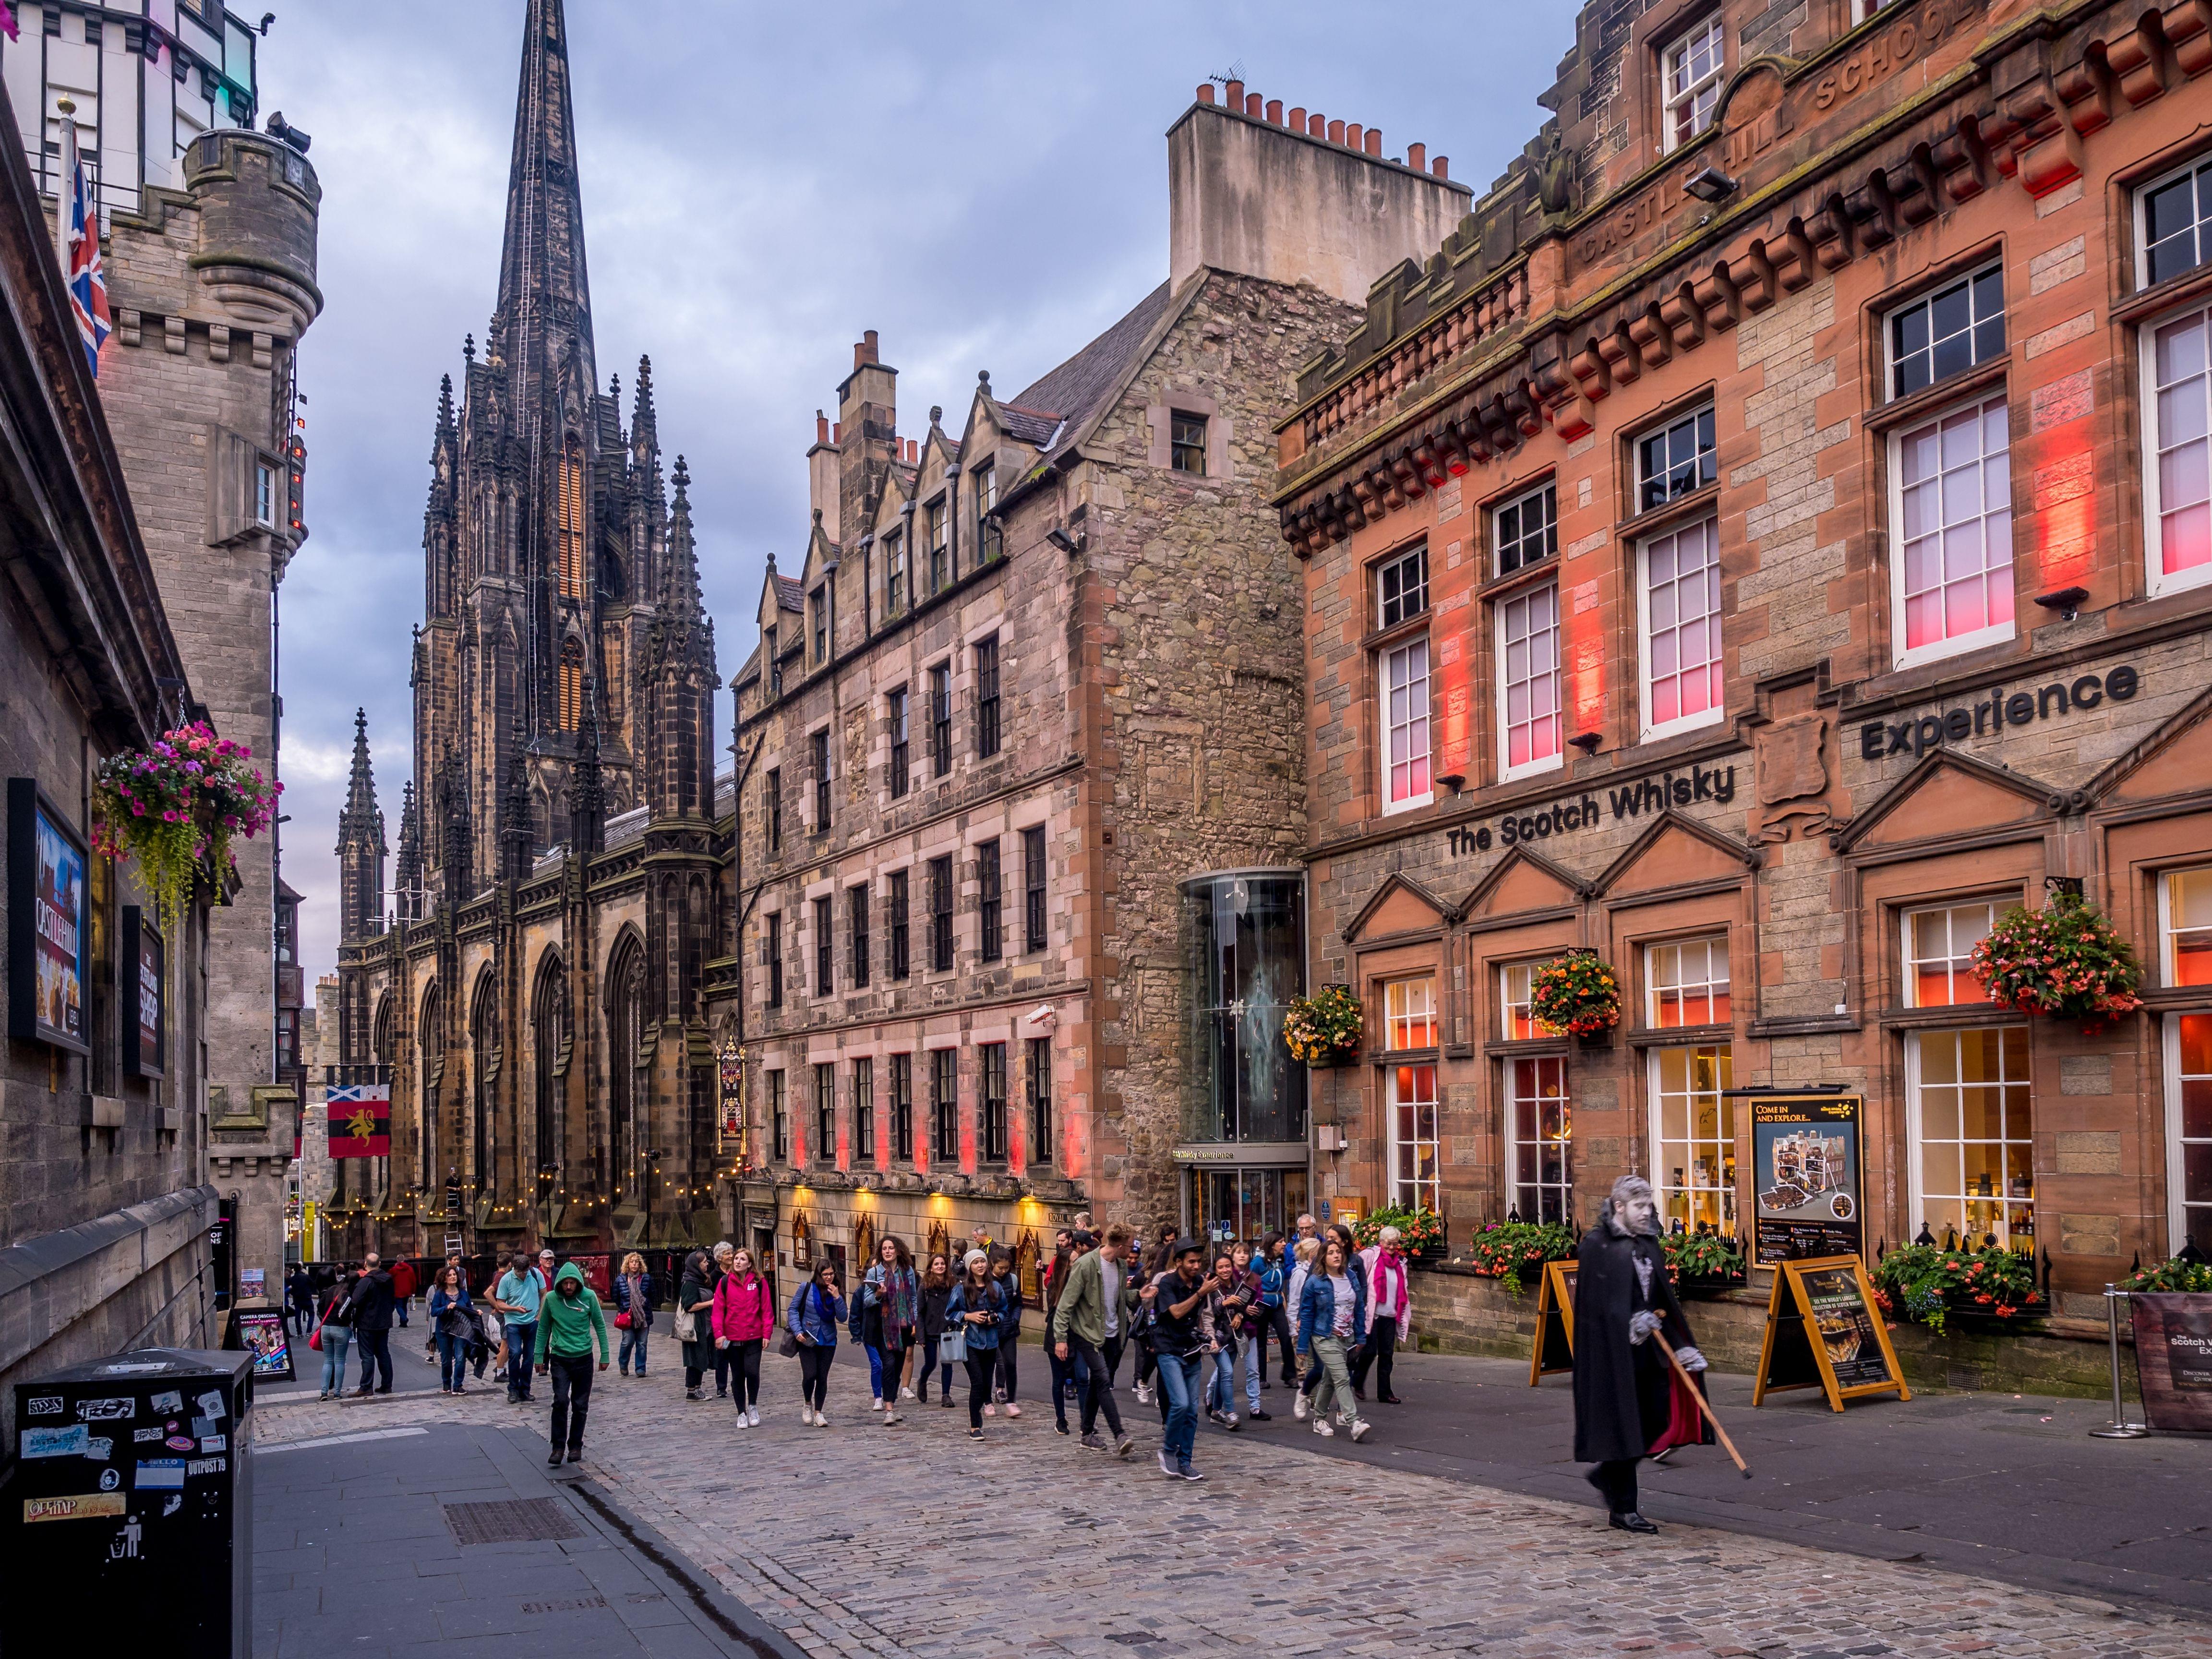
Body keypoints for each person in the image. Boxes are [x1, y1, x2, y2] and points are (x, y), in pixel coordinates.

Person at [1574, 1175, 1708, 1535]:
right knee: (1624, 1426)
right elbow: (1594, 1306)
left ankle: (1606, 1476)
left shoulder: (1648, 1243)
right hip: (1611, 1356)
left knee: (1656, 1418)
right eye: (1640, 1206)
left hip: (1652, 1348)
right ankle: (1625, 1509)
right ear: (1619, 1207)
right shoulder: (1597, 1246)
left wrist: (1683, 1345)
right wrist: (1627, 1321)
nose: (1648, 1213)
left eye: (1649, 1205)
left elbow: (1664, 1300)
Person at [1050, 1224, 1136, 1458]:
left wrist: (1140, 1295)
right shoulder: (1086, 1265)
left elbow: (1120, 1296)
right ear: (1120, 1246)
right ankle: (1120, 1434)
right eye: (1131, 1245)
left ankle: (1086, 1433)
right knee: (1103, 1379)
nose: (1134, 1249)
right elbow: (1066, 1304)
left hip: (1112, 1333)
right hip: (1087, 1333)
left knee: (1099, 1384)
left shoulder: (1120, 1266)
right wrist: (1060, 1339)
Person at [1143, 1239, 1214, 1480]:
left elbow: (1202, 1315)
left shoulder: (1199, 1282)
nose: (1196, 1266)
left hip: (1191, 1349)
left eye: (1199, 1261)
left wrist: (1209, 1337)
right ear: (1179, 1262)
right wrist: (1200, 1293)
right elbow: (1176, 1312)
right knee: (1181, 1404)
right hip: (1168, 1349)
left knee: (1192, 1411)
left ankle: (1185, 1462)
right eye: (1191, 1262)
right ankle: (1168, 1450)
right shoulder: (1167, 1283)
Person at [534, 1262, 611, 1466]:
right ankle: (558, 1447)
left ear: (578, 1283)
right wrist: (538, 1357)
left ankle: (575, 1445)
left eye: (572, 1283)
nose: (569, 1287)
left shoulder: (589, 1298)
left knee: (580, 1404)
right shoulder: (551, 1299)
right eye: (565, 1283)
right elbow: (543, 1329)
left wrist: (605, 1355)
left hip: (584, 1357)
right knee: (560, 1401)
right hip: (560, 1357)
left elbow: (600, 1326)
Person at [1297, 1236, 1371, 1442]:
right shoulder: (1315, 1282)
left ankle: (1319, 1419)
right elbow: (1307, 1314)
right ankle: (1354, 1422)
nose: (1336, 1255)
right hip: (1324, 1336)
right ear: (1322, 1258)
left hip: (1347, 1338)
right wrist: (1302, 1346)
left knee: (1330, 1379)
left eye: (1338, 1252)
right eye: (1331, 1253)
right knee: (1342, 1377)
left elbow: (1358, 1308)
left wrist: (1361, 1336)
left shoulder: (1350, 1277)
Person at [944, 1249, 1009, 1441]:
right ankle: (975, 1426)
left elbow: (1004, 1310)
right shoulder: (961, 1288)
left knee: (986, 1383)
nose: (980, 1266)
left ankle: (977, 1414)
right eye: (976, 1263)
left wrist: (995, 1318)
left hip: (990, 1342)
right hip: (970, 1341)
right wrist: (968, 1316)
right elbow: (950, 1314)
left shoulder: (995, 1287)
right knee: (978, 1382)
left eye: (982, 1262)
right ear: (969, 1266)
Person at [712, 1246, 773, 1426]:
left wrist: (767, 1333)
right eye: (736, 1259)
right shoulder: (725, 1282)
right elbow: (718, 1312)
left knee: (753, 1372)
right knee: (738, 1376)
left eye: (742, 1260)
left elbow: (767, 1310)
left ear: (750, 1264)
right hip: (733, 1338)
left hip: (754, 1336)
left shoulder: (759, 1282)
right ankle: (741, 1412)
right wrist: (719, 1334)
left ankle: (753, 1405)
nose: (738, 1262)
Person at [860, 1235, 918, 1424]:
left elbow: (913, 1298)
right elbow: (866, 1301)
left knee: (897, 1367)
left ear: (898, 1250)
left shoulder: (908, 1272)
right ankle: (889, 1409)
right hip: (883, 1328)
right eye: (884, 1248)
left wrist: (915, 1321)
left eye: (891, 1248)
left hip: (903, 1326)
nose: (887, 1251)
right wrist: (878, 1295)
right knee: (889, 1364)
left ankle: (891, 1400)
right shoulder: (874, 1273)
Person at [1350, 1225, 1411, 1405]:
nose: (1392, 1248)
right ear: (1381, 1242)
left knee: (1387, 1354)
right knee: (1369, 1352)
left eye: (1395, 1244)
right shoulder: (1370, 1256)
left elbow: (1403, 1289)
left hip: (1391, 1314)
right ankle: (1358, 1382)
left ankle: (1385, 1393)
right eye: (1389, 1244)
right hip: (1373, 1314)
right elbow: (1358, 1279)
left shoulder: (1401, 1263)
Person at [786, 1260, 846, 1427]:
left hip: (828, 1340)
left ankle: (819, 1412)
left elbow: (842, 1317)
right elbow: (793, 1309)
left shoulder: (836, 1291)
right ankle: (807, 1403)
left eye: (831, 1274)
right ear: (819, 1274)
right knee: (810, 1375)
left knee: (822, 1377)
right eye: (825, 1274)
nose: (828, 1277)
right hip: (807, 1338)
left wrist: (837, 1298)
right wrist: (797, 1330)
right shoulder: (807, 1288)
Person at [1204, 1249, 1254, 1429]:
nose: (1225, 1270)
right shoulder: (1210, 1287)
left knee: (1224, 1374)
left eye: (1227, 1266)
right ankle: (1231, 1412)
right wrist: (1224, 1304)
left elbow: (1244, 1306)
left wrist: (1240, 1315)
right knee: (1227, 1372)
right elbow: (1206, 1314)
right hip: (1216, 1337)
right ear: (1215, 1270)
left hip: (1234, 1336)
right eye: (1221, 1268)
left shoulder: (1238, 1285)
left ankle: (1217, 1411)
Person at [488, 1251, 542, 1403]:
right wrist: (515, 1309)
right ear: (513, 1268)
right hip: (513, 1322)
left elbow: (544, 1293)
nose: (522, 1275)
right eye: (519, 1272)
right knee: (515, 1352)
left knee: (529, 1357)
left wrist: (539, 1316)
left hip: (532, 1322)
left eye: (524, 1272)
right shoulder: (507, 1279)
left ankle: (525, 1390)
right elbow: (500, 1303)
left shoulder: (535, 1274)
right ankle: (513, 1390)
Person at [349, 1252, 397, 1396]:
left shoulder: (366, 1282)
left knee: (367, 1355)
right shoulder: (388, 1280)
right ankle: (387, 1385)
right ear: (380, 1264)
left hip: (367, 1323)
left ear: (365, 1264)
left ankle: (366, 1386)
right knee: (383, 1353)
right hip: (384, 1322)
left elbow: (355, 1300)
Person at [1251, 1232, 1294, 1388]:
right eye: (1281, 1242)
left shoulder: (1280, 1260)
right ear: (1272, 1244)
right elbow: (1249, 1282)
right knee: (1261, 1342)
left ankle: (1289, 1376)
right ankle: (1261, 1378)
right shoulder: (1258, 1262)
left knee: (1286, 1337)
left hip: (1277, 1305)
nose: (1284, 1244)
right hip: (1262, 1305)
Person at [987, 1248, 1024, 1418]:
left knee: (1010, 1364)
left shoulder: (1013, 1280)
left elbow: (1018, 1303)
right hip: (989, 1330)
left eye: (1006, 1268)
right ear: (992, 1265)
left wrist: (1015, 1318)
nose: (1003, 1271)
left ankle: (1011, 1401)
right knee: (988, 1367)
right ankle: (987, 1401)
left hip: (1009, 1328)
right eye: (1000, 1268)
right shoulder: (985, 1280)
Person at [679, 1250, 719, 1401]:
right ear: (696, 1265)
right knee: (695, 1359)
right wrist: (711, 1302)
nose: (707, 1264)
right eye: (704, 1262)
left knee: (702, 1357)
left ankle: (697, 1388)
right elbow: (689, 1306)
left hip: (706, 1326)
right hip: (696, 1327)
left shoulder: (701, 1279)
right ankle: (692, 1390)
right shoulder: (689, 1283)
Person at [429, 1264, 473, 1395]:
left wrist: (477, 1313)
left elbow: (469, 1309)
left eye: (454, 1275)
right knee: (446, 1359)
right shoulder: (440, 1294)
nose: (453, 1277)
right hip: (444, 1330)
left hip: (460, 1329)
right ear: (444, 1279)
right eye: (450, 1275)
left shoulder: (463, 1293)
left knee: (460, 1356)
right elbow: (434, 1311)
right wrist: (446, 1308)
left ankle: (458, 1385)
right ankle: (446, 1383)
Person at [315, 1263, 356, 1400]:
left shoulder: (331, 1290)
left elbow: (320, 1307)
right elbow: (346, 1312)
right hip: (340, 1328)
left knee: (328, 1360)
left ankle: (324, 1392)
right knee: (339, 1361)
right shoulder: (347, 1294)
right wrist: (347, 1321)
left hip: (326, 1327)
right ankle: (337, 1392)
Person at [917, 1253, 954, 1407]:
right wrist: (921, 1336)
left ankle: (946, 1395)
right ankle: (923, 1381)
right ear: (931, 1268)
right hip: (930, 1330)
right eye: (936, 1264)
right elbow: (919, 1312)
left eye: (942, 1264)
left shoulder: (952, 1285)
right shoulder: (925, 1287)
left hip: (948, 1330)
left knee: (947, 1363)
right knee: (931, 1363)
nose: (940, 1266)